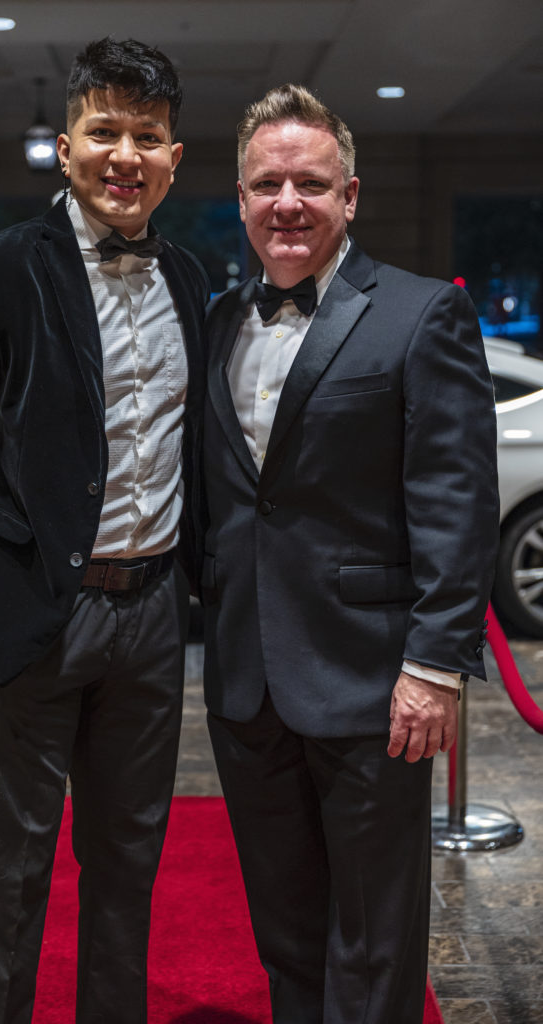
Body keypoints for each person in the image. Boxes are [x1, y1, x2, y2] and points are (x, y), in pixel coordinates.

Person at [0, 37, 208, 1024]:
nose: (125, 155)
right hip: (31, 616)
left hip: (150, 621)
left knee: (127, 870)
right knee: (7, 876)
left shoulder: (188, 278)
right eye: (104, 131)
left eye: (146, 136)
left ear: (173, 158)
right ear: (66, 147)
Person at [202, 83, 499, 1024]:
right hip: (246, 682)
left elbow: (456, 501)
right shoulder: (216, 321)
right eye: (267, 184)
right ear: (240, 199)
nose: (287, 203)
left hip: (375, 682)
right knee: (284, 929)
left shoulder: (420, 313)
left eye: (311, 184)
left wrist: (434, 666)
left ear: (351, 195)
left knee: (373, 940)